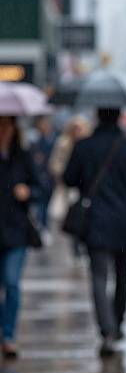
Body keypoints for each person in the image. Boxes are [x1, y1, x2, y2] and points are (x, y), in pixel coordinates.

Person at [64, 108, 126, 357]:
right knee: (122, 276)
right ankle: (118, 323)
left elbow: (69, 178)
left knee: (99, 277)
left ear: (97, 116)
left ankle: (107, 330)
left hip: (95, 222)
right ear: (119, 117)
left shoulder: (84, 146)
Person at [0, 116, 42, 358]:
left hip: (16, 231)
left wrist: (28, 192)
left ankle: (8, 335)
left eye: (7, 125)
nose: (3, 131)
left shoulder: (23, 157)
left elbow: (40, 186)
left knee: (12, 282)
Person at [49, 115, 91, 260]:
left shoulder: (87, 144)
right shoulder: (63, 143)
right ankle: (76, 245)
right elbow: (55, 164)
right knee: (74, 215)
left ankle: (82, 243)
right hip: (69, 186)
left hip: (86, 187)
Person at [30, 115, 57, 236]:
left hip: (49, 176)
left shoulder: (53, 140)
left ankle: (44, 224)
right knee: (41, 203)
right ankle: (41, 225)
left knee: (46, 203)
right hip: (39, 176)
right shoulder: (36, 141)